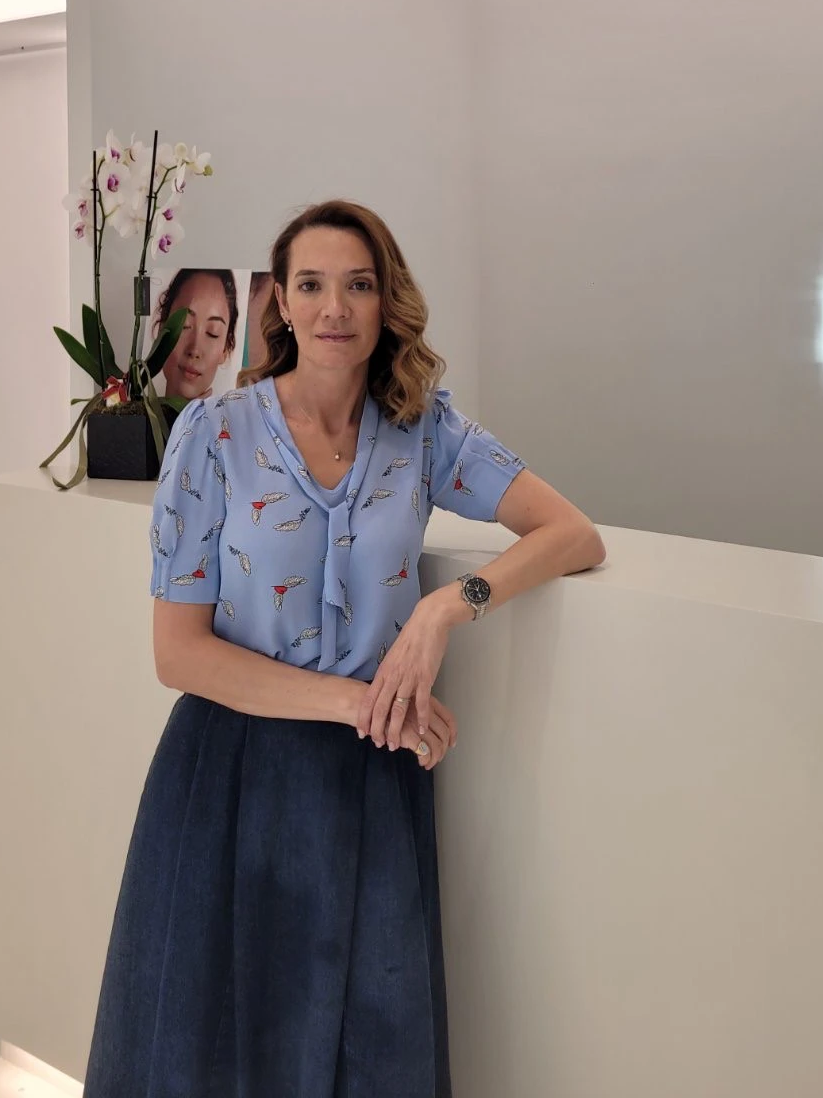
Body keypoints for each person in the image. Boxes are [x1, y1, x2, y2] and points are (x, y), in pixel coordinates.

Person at [83, 199, 605, 1098]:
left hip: (371, 783)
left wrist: (447, 608)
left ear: (385, 300)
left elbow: (573, 533)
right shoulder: (214, 434)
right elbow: (180, 654)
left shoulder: (425, 432)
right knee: (219, 1045)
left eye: (358, 285)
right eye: (312, 285)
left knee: (371, 1040)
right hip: (232, 773)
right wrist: (358, 701)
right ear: (280, 303)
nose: (335, 308)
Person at [153, 267, 239, 402]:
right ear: (162, 327)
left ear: (226, 349)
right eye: (184, 325)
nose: (194, 350)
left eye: (213, 333)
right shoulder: (127, 410)